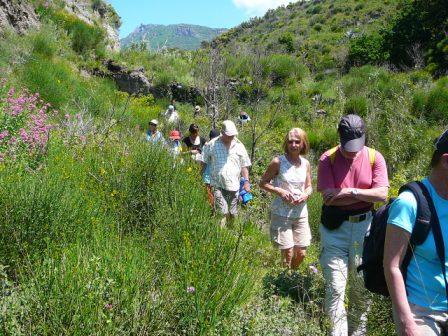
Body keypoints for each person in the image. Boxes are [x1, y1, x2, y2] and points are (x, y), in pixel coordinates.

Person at [317, 114, 389, 336]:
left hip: (364, 230)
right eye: (347, 145)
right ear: (339, 136)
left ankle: (358, 332)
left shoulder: (375, 158)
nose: (352, 151)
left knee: (360, 290)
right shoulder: (327, 159)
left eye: (356, 145)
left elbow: (382, 194)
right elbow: (328, 197)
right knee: (336, 289)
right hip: (334, 231)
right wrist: (366, 195)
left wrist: (349, 192)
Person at [384, 129, 448, 336]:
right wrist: (407, 323)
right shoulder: (409, 204)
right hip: (421, 312)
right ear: (446, 162)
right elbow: (391, 265)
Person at [260, 128, 312, 269]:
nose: (293, 145)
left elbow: (309, 186)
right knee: (288, 253)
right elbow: (262, 183)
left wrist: (305, 194)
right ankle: (285, 280)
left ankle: (292, 275)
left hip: (300, 213)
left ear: (303, 143)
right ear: (286, 143)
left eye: (297, 142)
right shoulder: (278, 162)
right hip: (281, 213)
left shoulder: (305, 164)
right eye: (290, 142)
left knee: (301, 253)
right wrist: (279, 191)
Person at [200, 120, 251, 227]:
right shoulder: (212, 144)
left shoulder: (239, 146)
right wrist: (200, 175)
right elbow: (204, 161)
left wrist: (246, 181)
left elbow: (244, 166)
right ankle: (221, 235)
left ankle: (231, 231)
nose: (232, 137)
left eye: (233, 135)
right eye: (229, 135)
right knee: (222, 211)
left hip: (234, 185)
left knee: (232, 212)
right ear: (222, 133)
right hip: (217, 183)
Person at [203, 129, 221, 209]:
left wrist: (200, 172)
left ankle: (212, 211)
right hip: (218, 175)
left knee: (209, 194)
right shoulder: (222, 147)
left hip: (208, 174)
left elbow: (203, 161)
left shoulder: (207, 146)